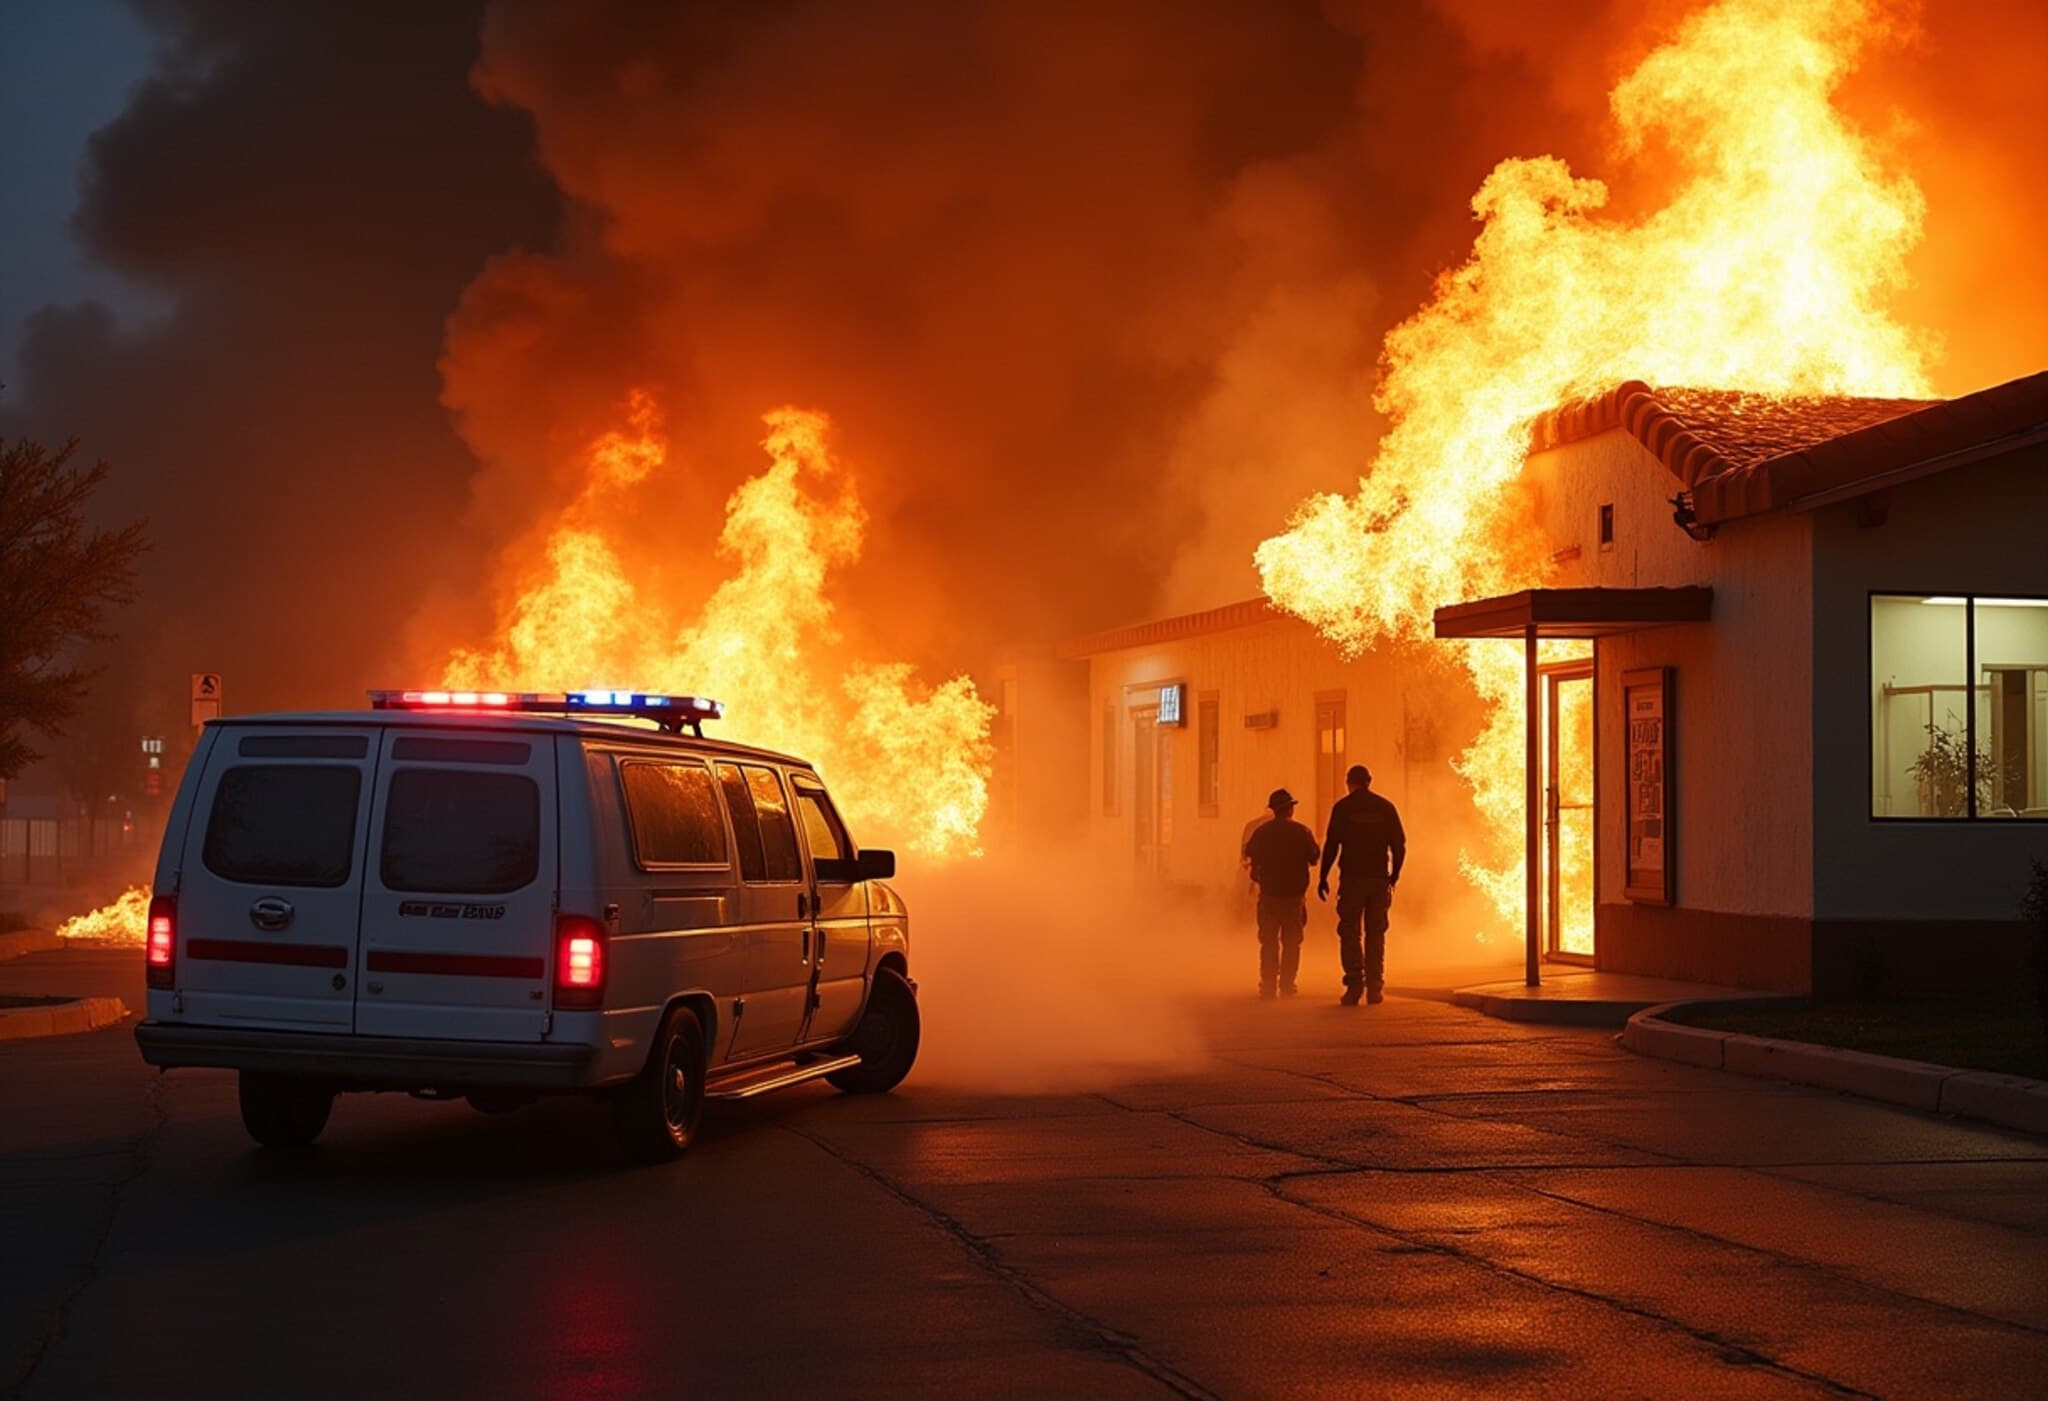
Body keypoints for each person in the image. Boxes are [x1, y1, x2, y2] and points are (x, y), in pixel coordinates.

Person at [1317, 764, 1406, 1007]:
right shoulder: (1385, 807)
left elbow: (1332, 844)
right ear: (1369, 781)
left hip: (1352, 880)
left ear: (1349, 783)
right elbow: (1399, 845)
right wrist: (1394, 875)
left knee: (1350, 932)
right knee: (1376, 934)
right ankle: (1375, 987)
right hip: (1378, 879)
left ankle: (1355, 984)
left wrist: (1323, 876)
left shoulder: (1343, 808)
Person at [1242, 788, 1319, 999]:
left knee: (1269, 941)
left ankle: (1268, 984)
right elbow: (1314, 857)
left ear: (1273, 810)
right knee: (1292, 941)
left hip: (1269, 896)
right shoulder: (1302, 832)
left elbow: (1249, 856)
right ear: (1290, 810)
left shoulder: (1262, 832)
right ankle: (1287, 984)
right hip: (1294, 897)